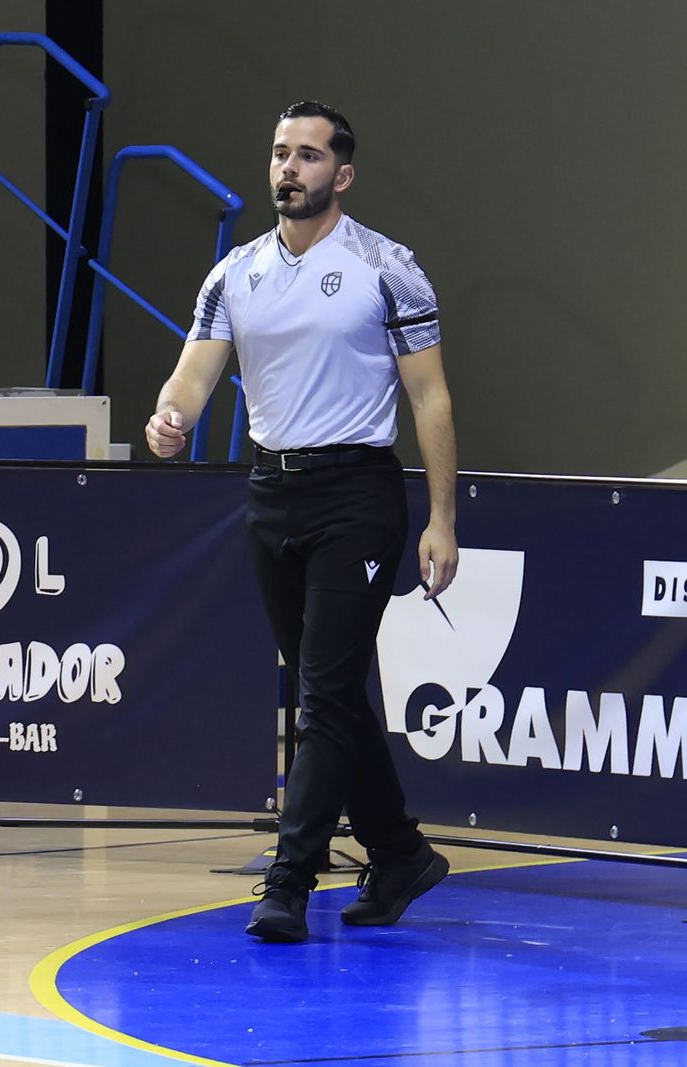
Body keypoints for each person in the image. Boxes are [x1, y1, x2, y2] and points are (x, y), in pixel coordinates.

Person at [146, 101, 459, 943]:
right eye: (281, 153)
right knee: (332, 693)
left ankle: (290, 879)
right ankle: (401, 853)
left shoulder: (388, 268)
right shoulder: (235, 273)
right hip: (271, 494)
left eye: (309, 156)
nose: (290, 168)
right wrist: (166, 419)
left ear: (342, 175)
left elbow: (429, 397)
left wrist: (441, 518)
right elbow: (190, 380)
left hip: (357, 494)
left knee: (320, 697)